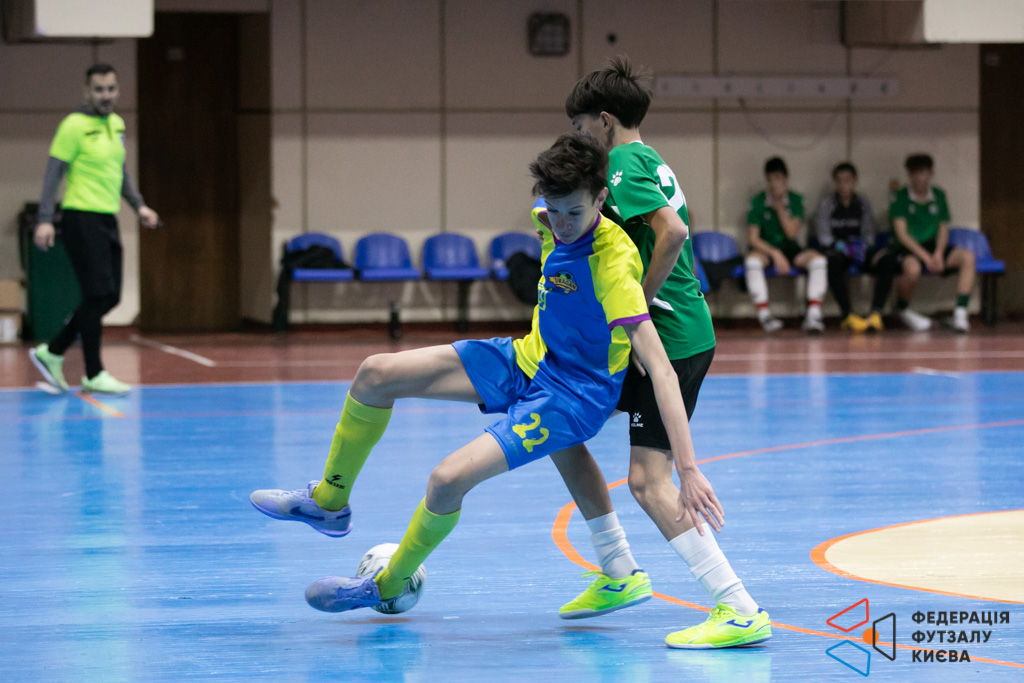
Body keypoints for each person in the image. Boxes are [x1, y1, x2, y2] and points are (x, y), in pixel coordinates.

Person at [249, 132, 725, 618]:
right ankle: (330, 502)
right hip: (527, 359)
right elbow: (555, 226)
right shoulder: (548, 219)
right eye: (553, 209)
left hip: (572, 395)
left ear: (602, 199)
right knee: (375, 373)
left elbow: (662, 371)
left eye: (574, 212)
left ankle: (386, 586)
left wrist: (687, 469)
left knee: (446, 479)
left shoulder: (614, 264)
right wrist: (556, 217)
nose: (561, 224)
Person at [560, 57, 771, 650]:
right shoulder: (649, 157)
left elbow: (673, 231)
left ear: (604, 121)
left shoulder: (622, 163)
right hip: (680, 331)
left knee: (649, 483)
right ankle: (618, 571)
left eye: (580, 128)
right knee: (559, 420)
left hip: (670, 338)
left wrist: (642, 304)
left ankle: (738, 607)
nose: (578, 139)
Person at [28, 63, 160, 394]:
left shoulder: (116, 125)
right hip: (80, 217)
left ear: (118, 90)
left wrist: (140, 206)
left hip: (106, 219)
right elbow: (53, 173)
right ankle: (93, 373)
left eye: (111, 89)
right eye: (99, 90)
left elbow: (120, 171)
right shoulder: (73, 125)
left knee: (110, 296)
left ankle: (53, 351)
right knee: (97, 294)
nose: (106, 96)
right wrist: (45, 219)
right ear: (87, 92)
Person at [873, 154, 975, 333]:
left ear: (931, 174)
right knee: (913, 269)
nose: (920, 177)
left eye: (924, 172)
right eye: (916, 173)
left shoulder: (939, 195)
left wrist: (938, 253)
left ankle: (960, 314)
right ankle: (902, 309)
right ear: (910, 175)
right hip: (908, 247)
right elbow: (902, 234)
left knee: (968, 257)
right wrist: (926, 257)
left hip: (933, 246)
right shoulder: (900, 197)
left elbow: (943, 228)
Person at [744, 157, 826, 333]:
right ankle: (765, 315)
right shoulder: (757, 201)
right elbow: (753, 238)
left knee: (818, 260)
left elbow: (792, 233)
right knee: (752, 261)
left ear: (786, 179)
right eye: (771, 179)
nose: (775, 184)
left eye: (779, 178)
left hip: (790, 248)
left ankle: (813, 315)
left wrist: (779, 206)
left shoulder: (796, 200)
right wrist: (774, 253)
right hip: (767, 249)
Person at [814, 162, 883, 333]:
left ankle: (876, 313)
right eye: (840, 181)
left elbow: (869, 233)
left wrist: (861, 246)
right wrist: (842, 246)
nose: (844, 185)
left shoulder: (862, 204)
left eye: (847, 180)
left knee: (886, 260)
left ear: (854, 182)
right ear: (835, 183)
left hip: (859, 250)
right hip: (838, 251)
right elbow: (823, 236)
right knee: (833, 262)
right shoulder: (827, 204)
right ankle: (847, 315)